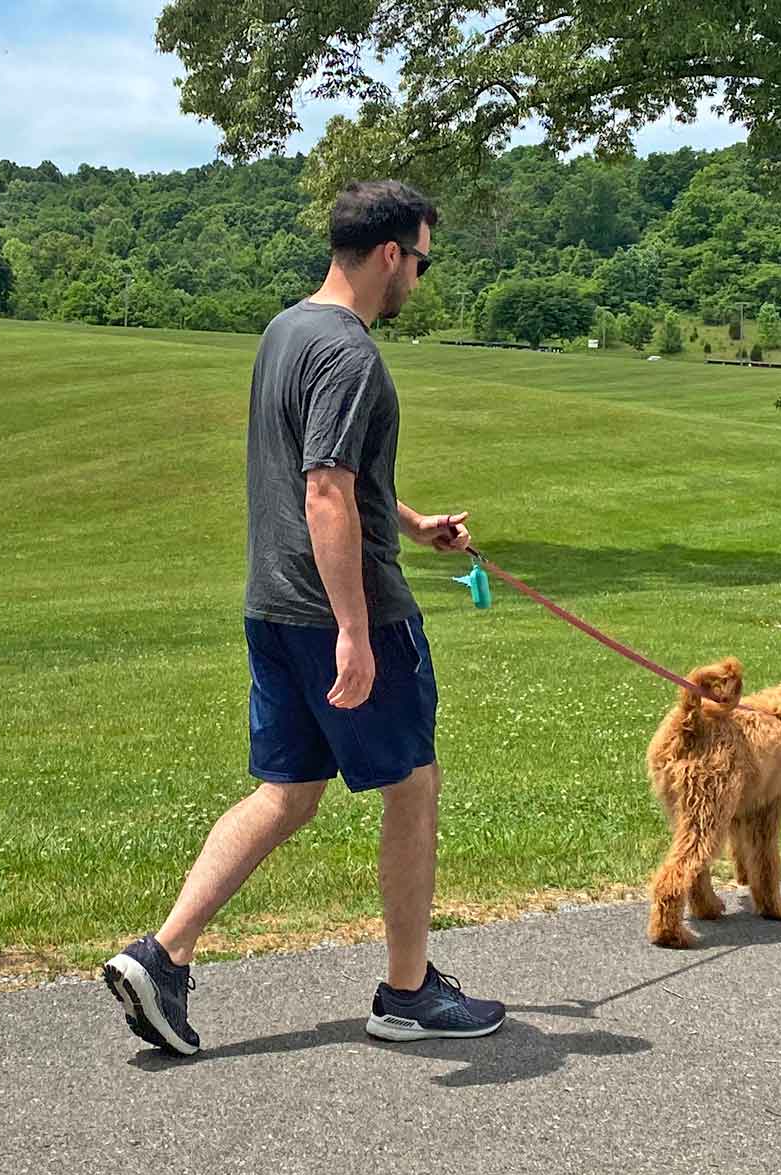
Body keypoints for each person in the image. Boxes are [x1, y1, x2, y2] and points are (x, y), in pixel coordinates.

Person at [103, 180, 505, 1055]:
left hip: (272, 606)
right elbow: (325, 488)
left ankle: (161, 956)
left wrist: (412, 521)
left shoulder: (288, 329)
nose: (420, 282)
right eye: (423, 262)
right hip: (340, 614)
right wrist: (357, 631)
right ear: (392, 254)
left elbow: (336, 474)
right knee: (412, 786)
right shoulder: (352, 354)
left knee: (287, 792)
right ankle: (407, 994)